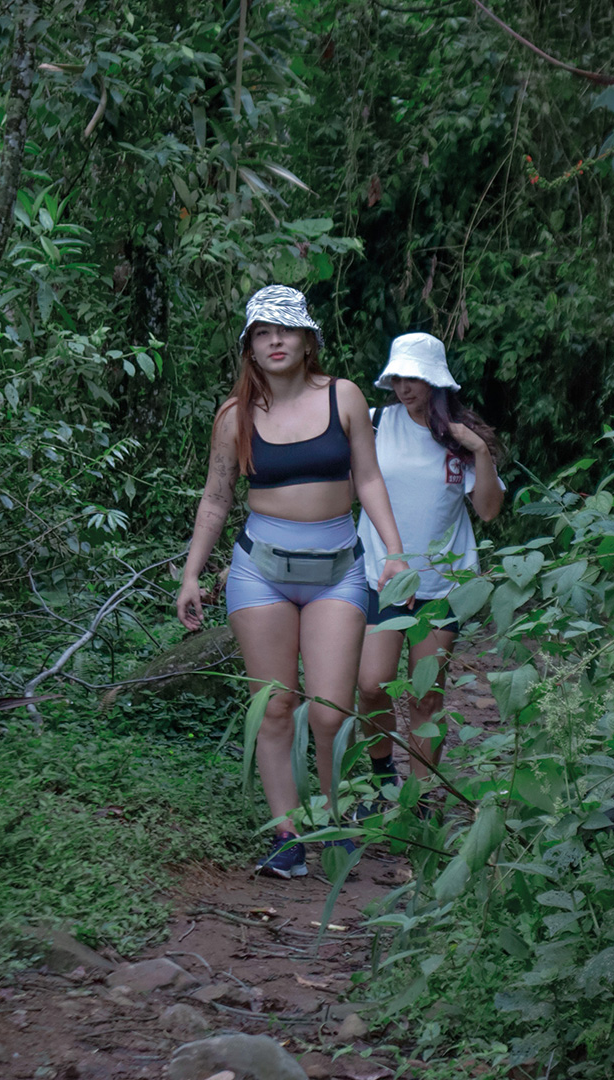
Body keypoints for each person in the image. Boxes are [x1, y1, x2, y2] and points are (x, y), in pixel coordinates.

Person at [176, 285, 409, 879]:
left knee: (330, 710)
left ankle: (335, 822)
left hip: (337, 568)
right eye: (262, 332)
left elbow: (370, 480)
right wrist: (191, 574)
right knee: (276, 706)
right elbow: (216, 498)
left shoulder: (346, 397)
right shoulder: (234, 416)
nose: (275, 340)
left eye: (286, 329)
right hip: (261, 572)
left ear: (308, 340)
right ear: (250, 348)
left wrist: (395, 552)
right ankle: (287, 836)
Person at [356, 332, 504, 812]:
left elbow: (486, 511)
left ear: (435, 379)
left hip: (441, 584)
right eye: (398, 376)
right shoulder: (375, 424)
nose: (404, 386)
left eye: (414, 377)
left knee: (425, 697)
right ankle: (383, 781)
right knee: (371, 684)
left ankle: (418, 801)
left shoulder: (459, 437)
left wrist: (480, 452)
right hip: (381, 574)